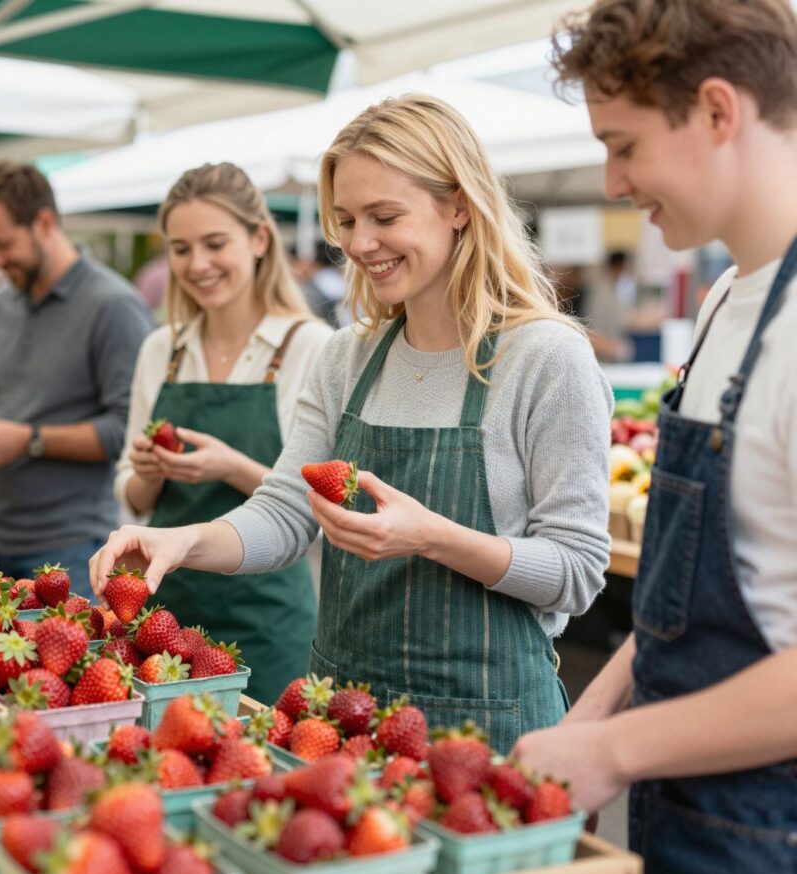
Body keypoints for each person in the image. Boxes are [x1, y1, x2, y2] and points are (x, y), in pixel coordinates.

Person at [91, 95, 613, 754]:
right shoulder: (347, 357)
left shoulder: (546, 358)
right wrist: (183, 541)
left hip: (489, 733)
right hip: (341, 721)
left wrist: (432, 537)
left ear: (459, 205)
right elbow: (285, 513)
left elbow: (577, 571)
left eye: (385, 216)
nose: (360, 243)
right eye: (345, 220)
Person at [511, 2, 797, 874]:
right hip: (683, 817)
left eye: (623, 144)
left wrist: (615, 747)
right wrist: (586, 728)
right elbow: (679, 596)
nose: (611, 181)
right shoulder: (724, 310)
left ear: (718, 112)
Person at [115, 163, 333, 703]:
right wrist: (146, 472)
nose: (198, 264)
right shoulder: (161, 350)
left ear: (260, 239)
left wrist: (229, 466)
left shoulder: (312, 347)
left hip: (267, 618)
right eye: (181, 249)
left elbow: (327, 507)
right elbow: (134, 497)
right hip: (165, 615)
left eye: (215, 244)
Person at [0, 162, 153, 581]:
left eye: (3, 244)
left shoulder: (113, 307)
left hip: (72, 549)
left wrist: (28, 440)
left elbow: (128, 430)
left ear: (44, 222)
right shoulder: (3, 304)